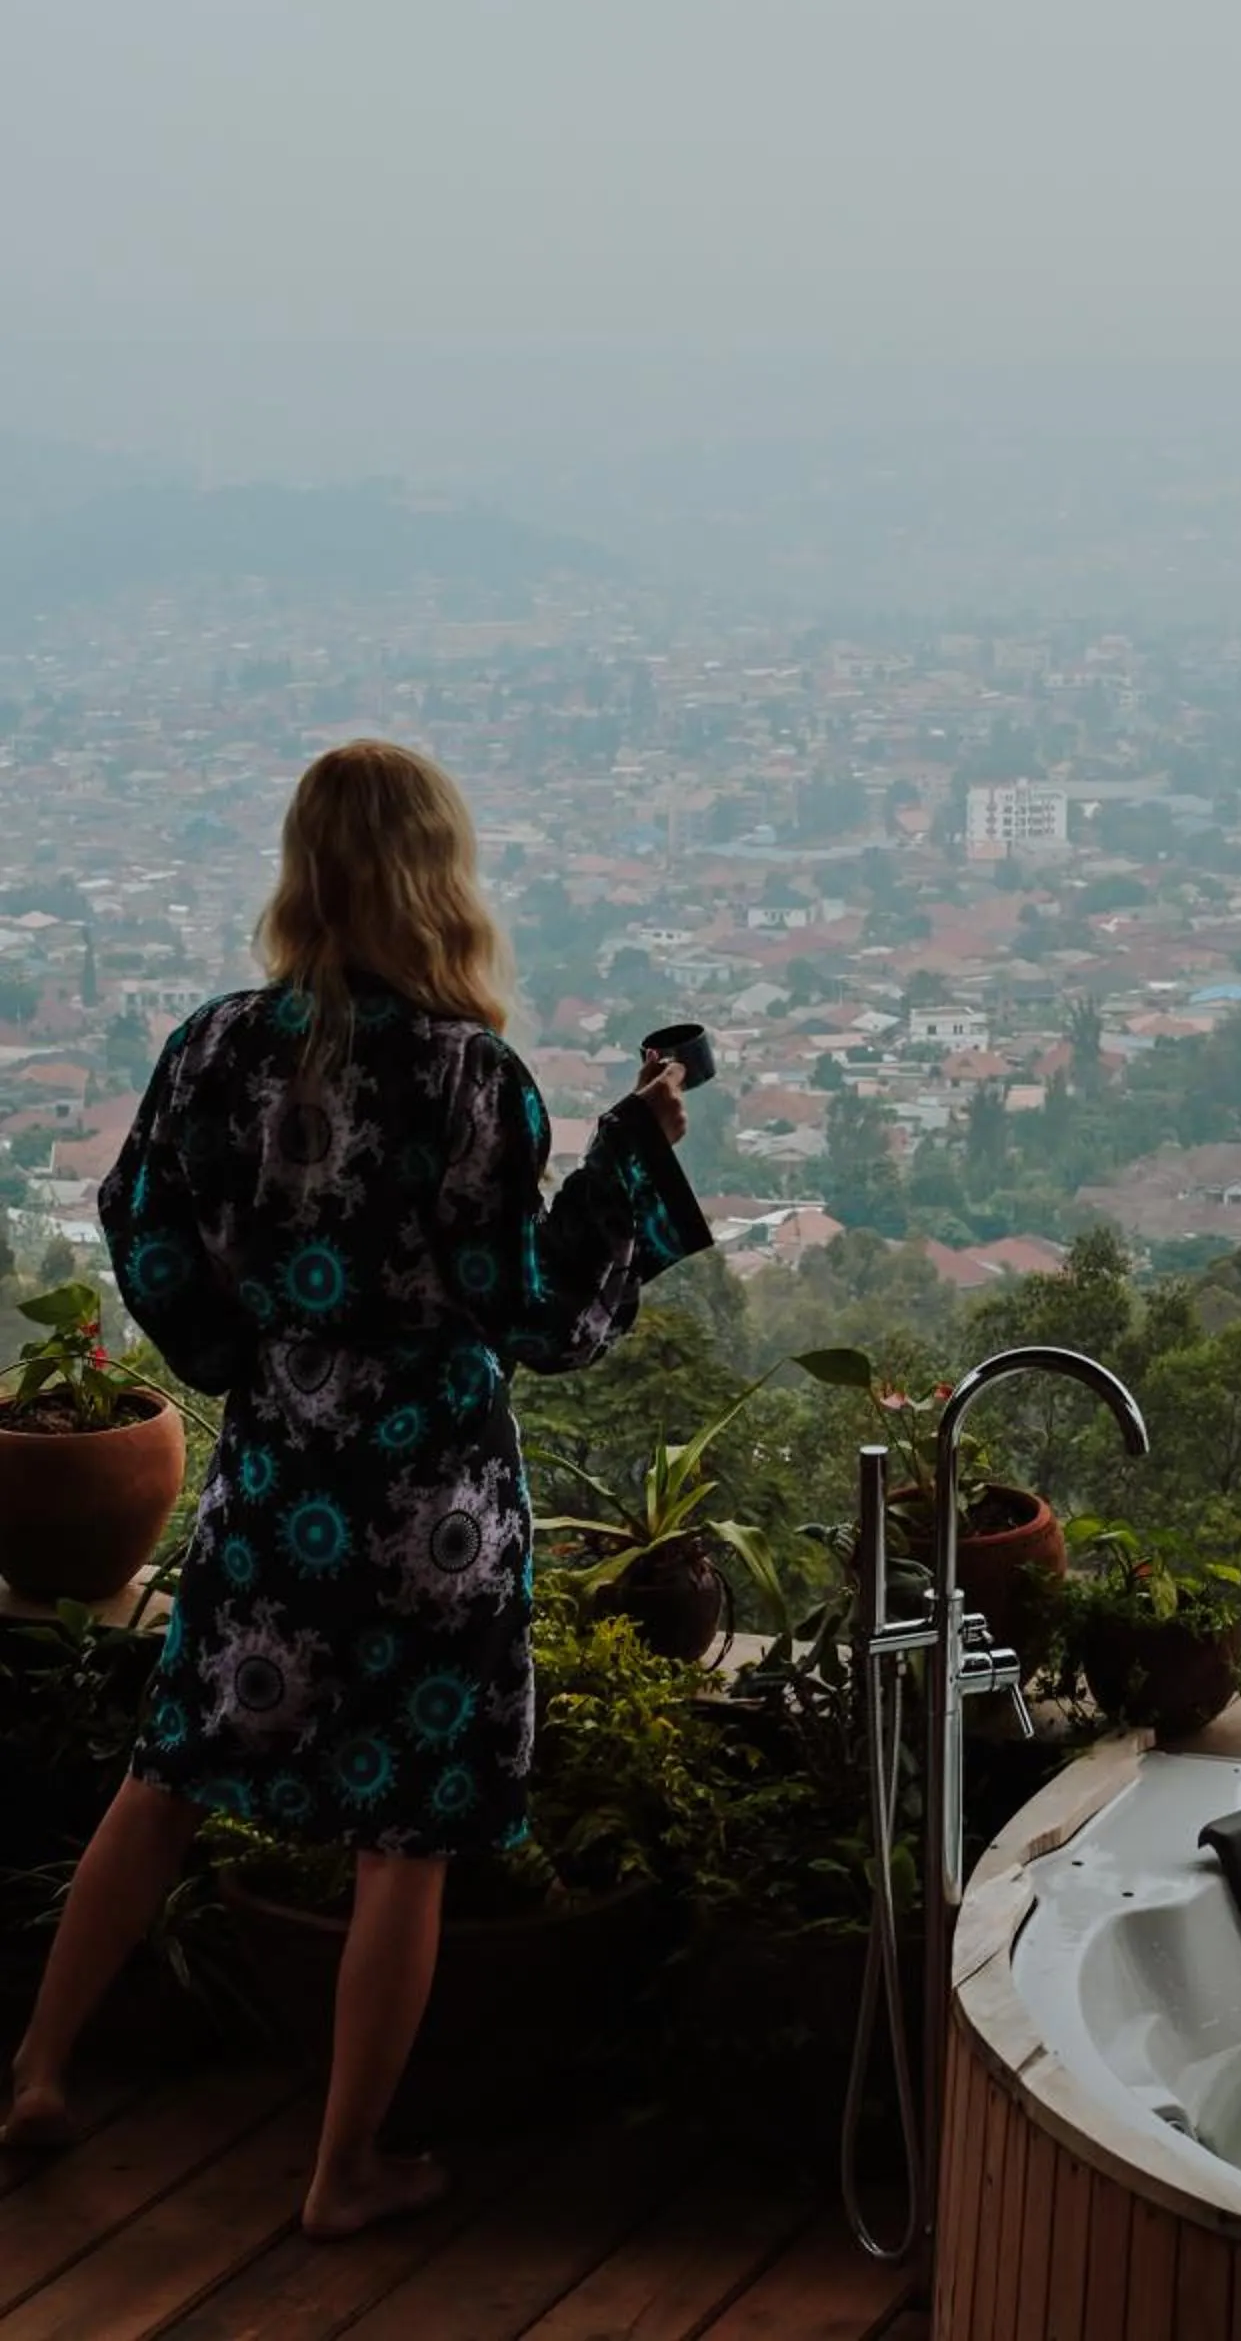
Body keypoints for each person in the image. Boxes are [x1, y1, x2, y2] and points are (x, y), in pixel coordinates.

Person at [1, 741, 709, 2236]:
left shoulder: (213, 1047)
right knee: (409, 1841)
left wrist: (245, 1354)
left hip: (278, 1478)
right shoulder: (470, 1079)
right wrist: (633, 1160)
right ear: (436, 877)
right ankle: (343, 2173)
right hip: (437, 1509)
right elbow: (538, 1312)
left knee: (168, 1774)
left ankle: (38, 2072)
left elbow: (140, 1222)